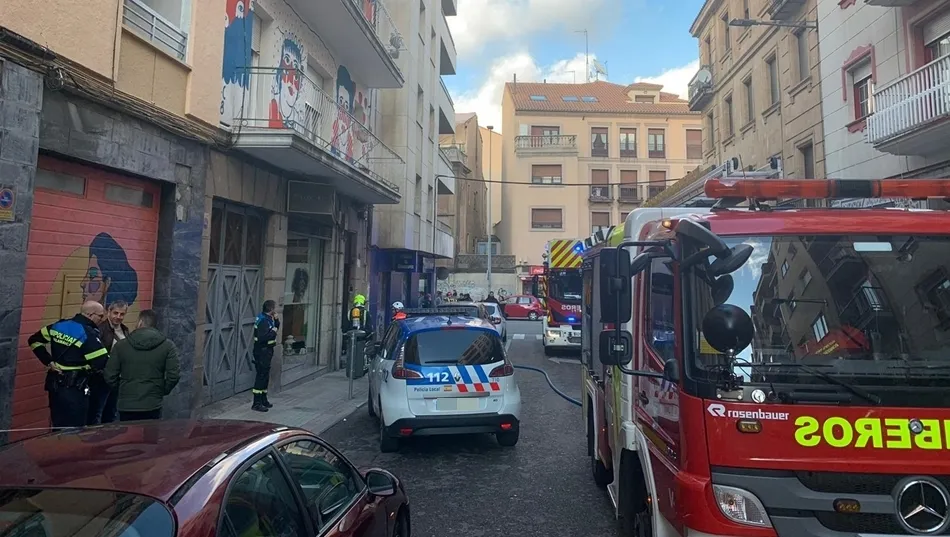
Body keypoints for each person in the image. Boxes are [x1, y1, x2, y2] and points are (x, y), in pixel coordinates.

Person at [28, 301, 109, 428]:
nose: (101, 319)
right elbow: (102, 361)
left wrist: (48, 361)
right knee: (75, 429)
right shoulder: (88, 334)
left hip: (55, 386)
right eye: (100, 316)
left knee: (58, 424)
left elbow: (34, 341)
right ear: (90, 314)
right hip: (76, 389)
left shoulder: (58, 326)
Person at [103, 309, 180, 421]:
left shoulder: (121, 346)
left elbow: (110, 375)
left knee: (128, 436)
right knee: (150, 436)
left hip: (127, 403)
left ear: (139, 322)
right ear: (155, 324)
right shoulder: (167, 345)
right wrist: (161, 390)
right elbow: (174, 375)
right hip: (152, 402)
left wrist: (122, 389)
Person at [87, 300, 130, 425]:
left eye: (122, 314)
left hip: (117, 377)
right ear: (108, 312)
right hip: (102, 378)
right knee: (96, 412)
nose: (118, 317)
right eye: (115, 313)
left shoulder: (125, 330)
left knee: (111, 411)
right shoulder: (100, 329)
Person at [252, 300, 280, 412]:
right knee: (261, 376)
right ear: (271, 309)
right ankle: (256, 403)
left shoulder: (268, 318)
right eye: (275, 308)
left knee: (265, 376)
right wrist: (274, 331)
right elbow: (263, 337)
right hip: (262, 351)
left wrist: (277, 321)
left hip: (267, 351)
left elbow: (276, 327)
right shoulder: (263, 321)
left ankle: (264, 399)